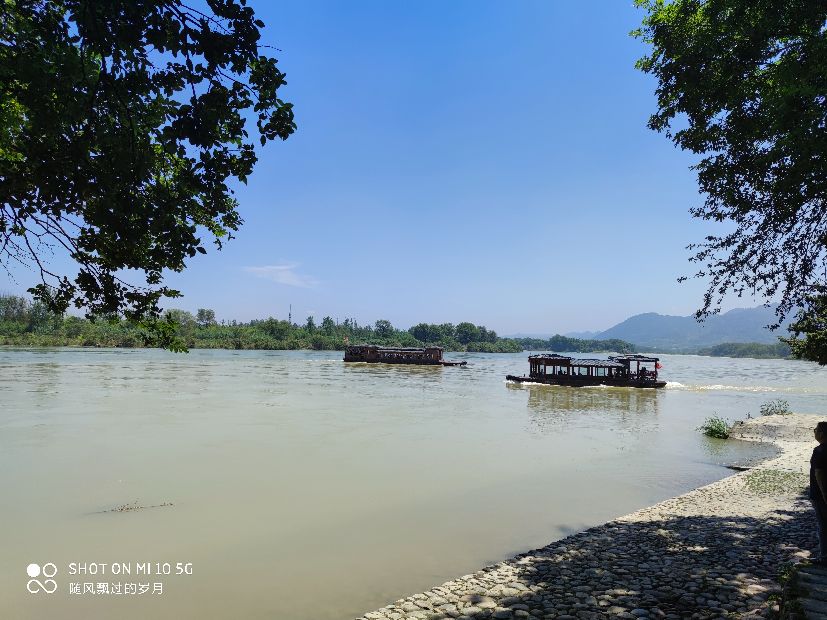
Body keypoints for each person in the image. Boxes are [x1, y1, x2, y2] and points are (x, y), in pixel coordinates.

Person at [810, 422, 827, 564]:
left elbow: (819, 474)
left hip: (820, 495)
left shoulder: (819, 451)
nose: (814, 432)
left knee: (823, 525)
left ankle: (824, 556)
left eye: (816, 430)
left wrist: (824, 494)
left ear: (821, 434)